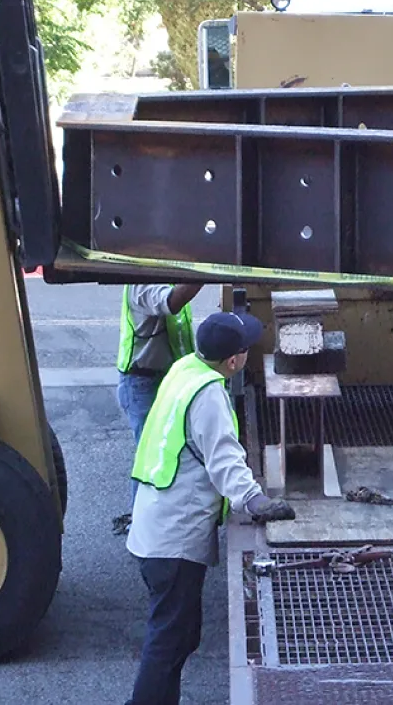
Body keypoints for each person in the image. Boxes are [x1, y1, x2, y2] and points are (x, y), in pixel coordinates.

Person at [125, 311, 295, 705]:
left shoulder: (186, 368)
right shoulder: (209, 396)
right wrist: (255, 500)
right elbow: (224, 459)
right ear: (234, 360)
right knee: (168, 642)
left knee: (181, 636)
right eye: (246, 350)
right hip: (174, 540)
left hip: (154, 527)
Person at [117, 284, 203, 508]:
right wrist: (204, 273)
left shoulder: (167, 275)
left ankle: (162, 517)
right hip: (143, 384)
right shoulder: (139, 284)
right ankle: (141, 524)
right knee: (151, 458)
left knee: (170, 453)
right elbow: (171, 302)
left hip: (170, 378)